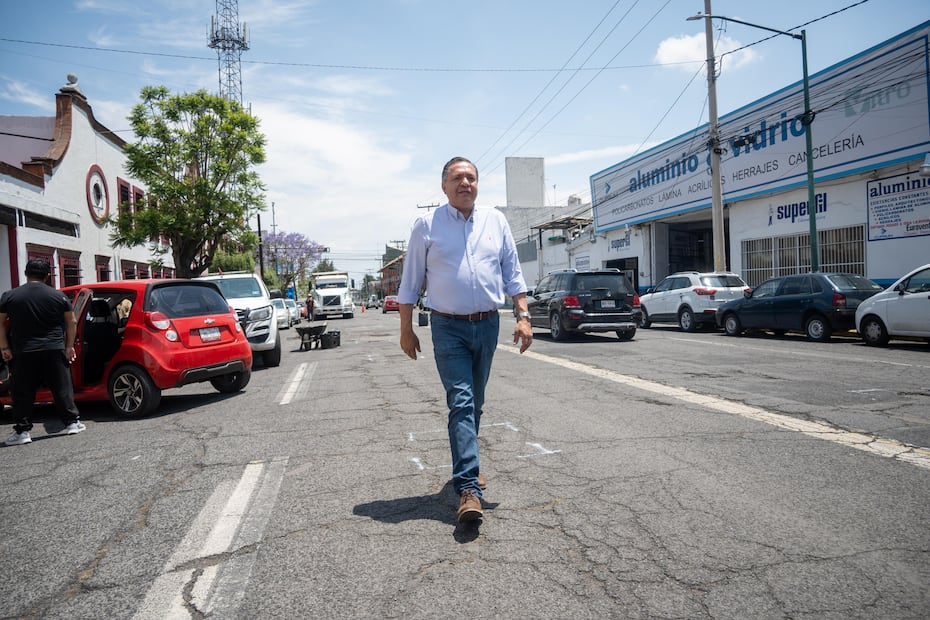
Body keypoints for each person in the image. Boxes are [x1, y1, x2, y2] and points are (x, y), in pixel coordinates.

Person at [398, 156, 533, 524]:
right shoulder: (427, 225)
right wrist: (406, 329)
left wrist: (523, 316)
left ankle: (467, 464)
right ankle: (469, 488)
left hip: (487, 325)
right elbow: (410, 282)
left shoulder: (495, 220)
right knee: (461, 402)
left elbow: (512, 272)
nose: (465, 184)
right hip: (448, 326)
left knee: (476, 403)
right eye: (457, 178)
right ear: (444, 186)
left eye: (471, 178)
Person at [0, 259, 85, 445]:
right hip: (54, 348)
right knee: (61, 387)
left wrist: (4, 347)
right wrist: (69, 346)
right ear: (47, 276)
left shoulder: (9, 296)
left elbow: (0, 323)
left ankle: (23, 432)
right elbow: (72, 322)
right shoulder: (58, 296)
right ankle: (72, 423)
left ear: (25, 273)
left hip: (24, 350)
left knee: (22, 391)